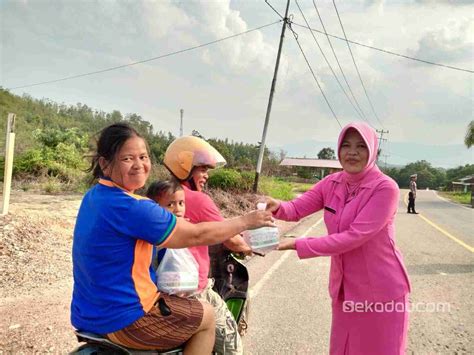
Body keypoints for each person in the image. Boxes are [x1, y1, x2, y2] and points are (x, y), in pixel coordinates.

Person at [71, 123, 274, 355]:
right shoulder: (134, 207)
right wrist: (247, 221)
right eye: (128, 159)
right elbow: (198, 234)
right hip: (124, 317)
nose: (139, 165)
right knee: (207, 316)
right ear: (105, 164)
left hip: (88, 313)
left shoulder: (95, 196)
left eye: (143, 156)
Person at [263, 122, 411, 355]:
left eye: (361, 146)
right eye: (346, 145)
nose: (352, 152)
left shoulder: (385, 188)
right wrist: (277, 206)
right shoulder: (331, 183)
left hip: (382, 292)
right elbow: (295, 208)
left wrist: (295, 243)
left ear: (373, 151)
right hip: (345, 289)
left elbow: (353, 237)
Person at [163, 136, 251, 355]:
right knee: (233, 349)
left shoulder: (160, 196)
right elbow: (230, 238)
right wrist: (248, 246)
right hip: (195, 288)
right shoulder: (198, 200)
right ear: (185, 167)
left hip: (163, 285)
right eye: (202, 169)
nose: (206, 176)